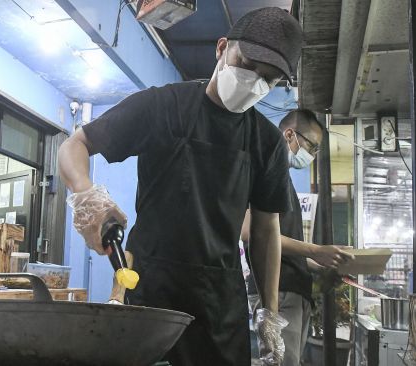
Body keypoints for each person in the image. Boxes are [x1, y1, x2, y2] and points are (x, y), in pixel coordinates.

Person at [58, 7, 303, 366]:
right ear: (221, 48)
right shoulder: (164, 105)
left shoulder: (266, 143)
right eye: (247, 64)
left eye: (269, 79)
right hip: (150, 292)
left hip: (219, 305)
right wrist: (86, 195)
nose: (254, 81)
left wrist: (269, 314)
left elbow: (266, 230)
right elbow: (74, 145)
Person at [240, 109, 356, 366]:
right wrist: (314, 250)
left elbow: (283, 247)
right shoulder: (260, 174)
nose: (313, 155)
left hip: (292, 292)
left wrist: (320, 265)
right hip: (277, 293)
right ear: (290, 134)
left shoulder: (283, 183)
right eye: (311, 146)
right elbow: (251, 232)